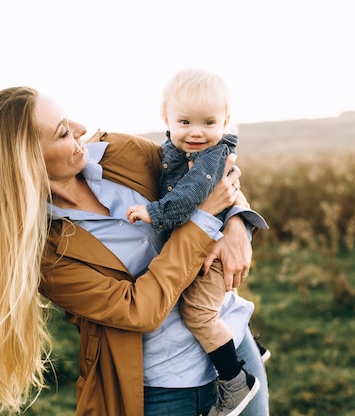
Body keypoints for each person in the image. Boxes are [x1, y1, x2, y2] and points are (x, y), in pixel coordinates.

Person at [0, 86, 269, 416]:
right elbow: (139, 310)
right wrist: (200, 224)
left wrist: (237, 225)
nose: (81, 130)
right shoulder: (45, 254)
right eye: (62, 132)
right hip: (161, 390)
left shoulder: (122, 152)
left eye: (67, 119)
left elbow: (209, 178)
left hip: (234, 350)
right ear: (27, 161)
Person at [127, 68, 268, 416]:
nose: (196, 132)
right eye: (185, 121)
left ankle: (235, 381)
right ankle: (244, 347)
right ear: (167, 119)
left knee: (198, 312)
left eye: (208, 123)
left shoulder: (210, 159)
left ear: (225, 122)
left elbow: (190, 196)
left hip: (212, 255)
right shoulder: (174, 151)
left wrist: (154, 213)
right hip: (204, 249)